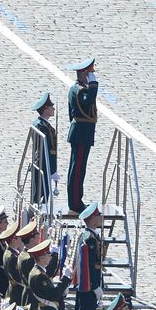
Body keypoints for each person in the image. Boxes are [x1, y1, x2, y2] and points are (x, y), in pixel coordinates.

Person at [66, 57, 99, 213]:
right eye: (89, 74)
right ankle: (75, 202)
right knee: (77, 169)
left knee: (79, 168)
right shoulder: (80, 90)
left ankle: (77, 199)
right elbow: (88, 101)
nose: (91, 76)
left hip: (81, 133)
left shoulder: (78, 89)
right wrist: (93, 85)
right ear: (83, 74)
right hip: (81, 134)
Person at [70, 202, 104, 310]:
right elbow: (89, 265)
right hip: (88, 286)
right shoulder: (89, 238)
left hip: (87, 284)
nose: (101, 217)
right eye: (98, 215)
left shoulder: (90, 236)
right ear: (92, 219)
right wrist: (95, 286)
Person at [30, 92, 58, 206]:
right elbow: (45, 151)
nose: (53, 109)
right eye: (51, 107)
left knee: (45, 195)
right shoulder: (41, 126)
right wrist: (52, 170)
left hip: (47, 165)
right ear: (45, 109)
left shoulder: (45, 125)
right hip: (43, 165)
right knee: (41, 196)